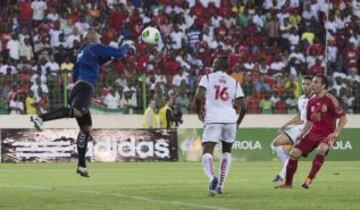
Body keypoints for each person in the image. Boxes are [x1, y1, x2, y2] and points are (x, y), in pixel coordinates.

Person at [30, 30, 135, 177]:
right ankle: (41, 118)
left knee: (86, 127)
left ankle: (81, 166)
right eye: (99, 37)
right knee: (77, 111)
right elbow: (119, 53)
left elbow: (104, 59)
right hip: (85, 86)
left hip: (77, 87)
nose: (100, 39)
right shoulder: (94, 46)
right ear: (93, 38)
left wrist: (117, 52)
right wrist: (126, 46)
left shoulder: (84, 51)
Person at [276, 75, 348, 189]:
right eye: (313, 82)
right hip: (312, 133)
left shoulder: (331, 99)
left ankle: (308, 180)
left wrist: (336, 133)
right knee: (293, 153)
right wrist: (301, 134)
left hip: (326, 134)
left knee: (322, 149)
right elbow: (309, 121)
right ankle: (288, 184)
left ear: (323, 85)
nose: (313, 85)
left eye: (316, 82)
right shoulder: (311, 100)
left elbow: (343, 119)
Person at [194, 56, 247, 196]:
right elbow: (244, 106)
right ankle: (220, 186)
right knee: (227, 152)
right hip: (230, 120)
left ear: (215, 65)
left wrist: (198, 112)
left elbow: (198, 96)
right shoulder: (234, 82)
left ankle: (212, 179)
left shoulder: (207, 77)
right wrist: (238, 122)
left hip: (213, 119)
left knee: (207, 152)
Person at [271, 75, 313, 184]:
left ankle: (281, 175)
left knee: (293, 153)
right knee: (275, 144)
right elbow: (300, 116)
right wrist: (285, 125)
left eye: (308, 84)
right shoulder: (301, 99)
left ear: (313, 85)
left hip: (309, 129)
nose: (305, 86)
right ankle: (288, 167)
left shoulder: (316, 99)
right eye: (303, 84)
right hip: (299, 127)